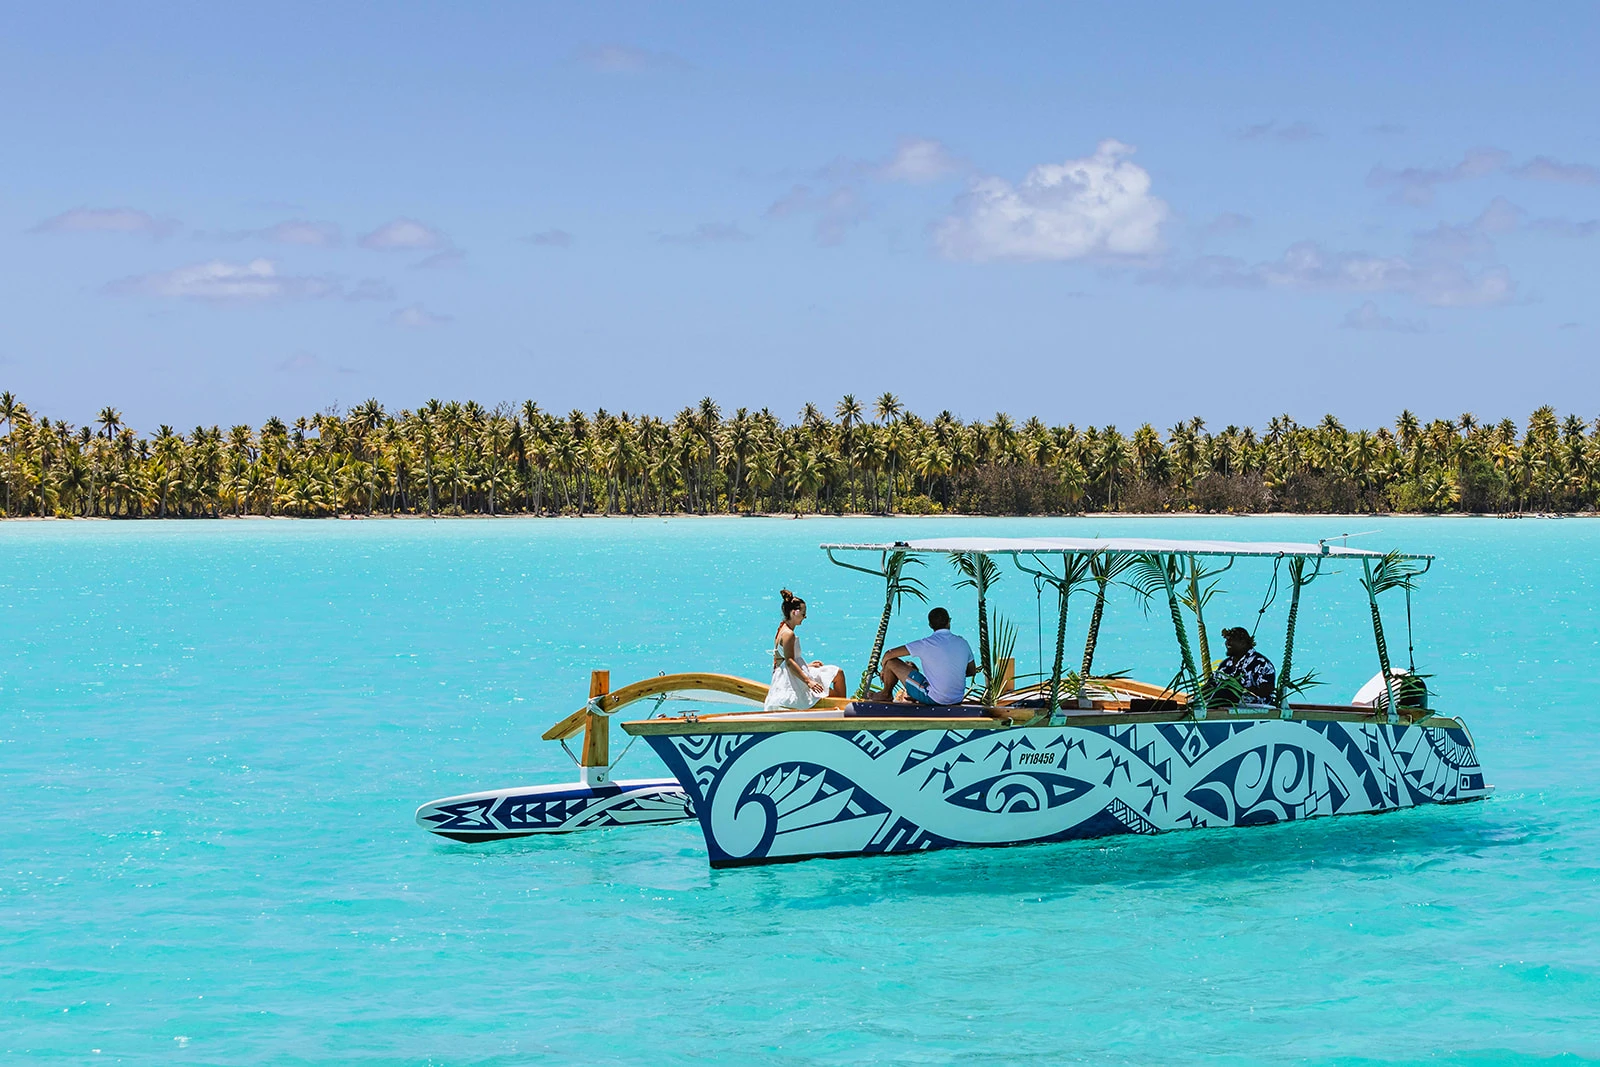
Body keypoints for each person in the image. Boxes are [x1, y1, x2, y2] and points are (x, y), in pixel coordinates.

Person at [872, 607, 978, 705]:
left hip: (936, 699)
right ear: (949, 622)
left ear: (930, 625)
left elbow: (889, 654)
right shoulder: (963, 643)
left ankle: (885, 694)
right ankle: (914, 694)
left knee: (891, 663)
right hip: (957, 698)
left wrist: (883, 670)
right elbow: (971, 671)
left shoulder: (926, 644)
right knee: (913, 670)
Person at [764, 589, 847, 710]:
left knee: (838, 673)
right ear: (794, 613)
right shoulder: (788, 634)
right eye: (803, 614)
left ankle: (841, 705)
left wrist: (807, 666)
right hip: (789, 677)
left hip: (789, 671)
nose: (805, 617)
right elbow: (789, 661)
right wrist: (809, 681)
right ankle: (842, 708)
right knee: (834, 690)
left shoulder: (783, 628)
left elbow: (783, 658)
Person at [1213, 626, 1277, 703]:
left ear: (1243, 643)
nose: (1227, 643)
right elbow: (1212, 683)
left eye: (1231, 640)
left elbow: (1266, 690)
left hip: (1254, 708)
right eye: (1227, 640)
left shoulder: (1261, 664)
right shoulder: (1225, 664)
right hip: (1224, 706)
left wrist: (1240, 690)